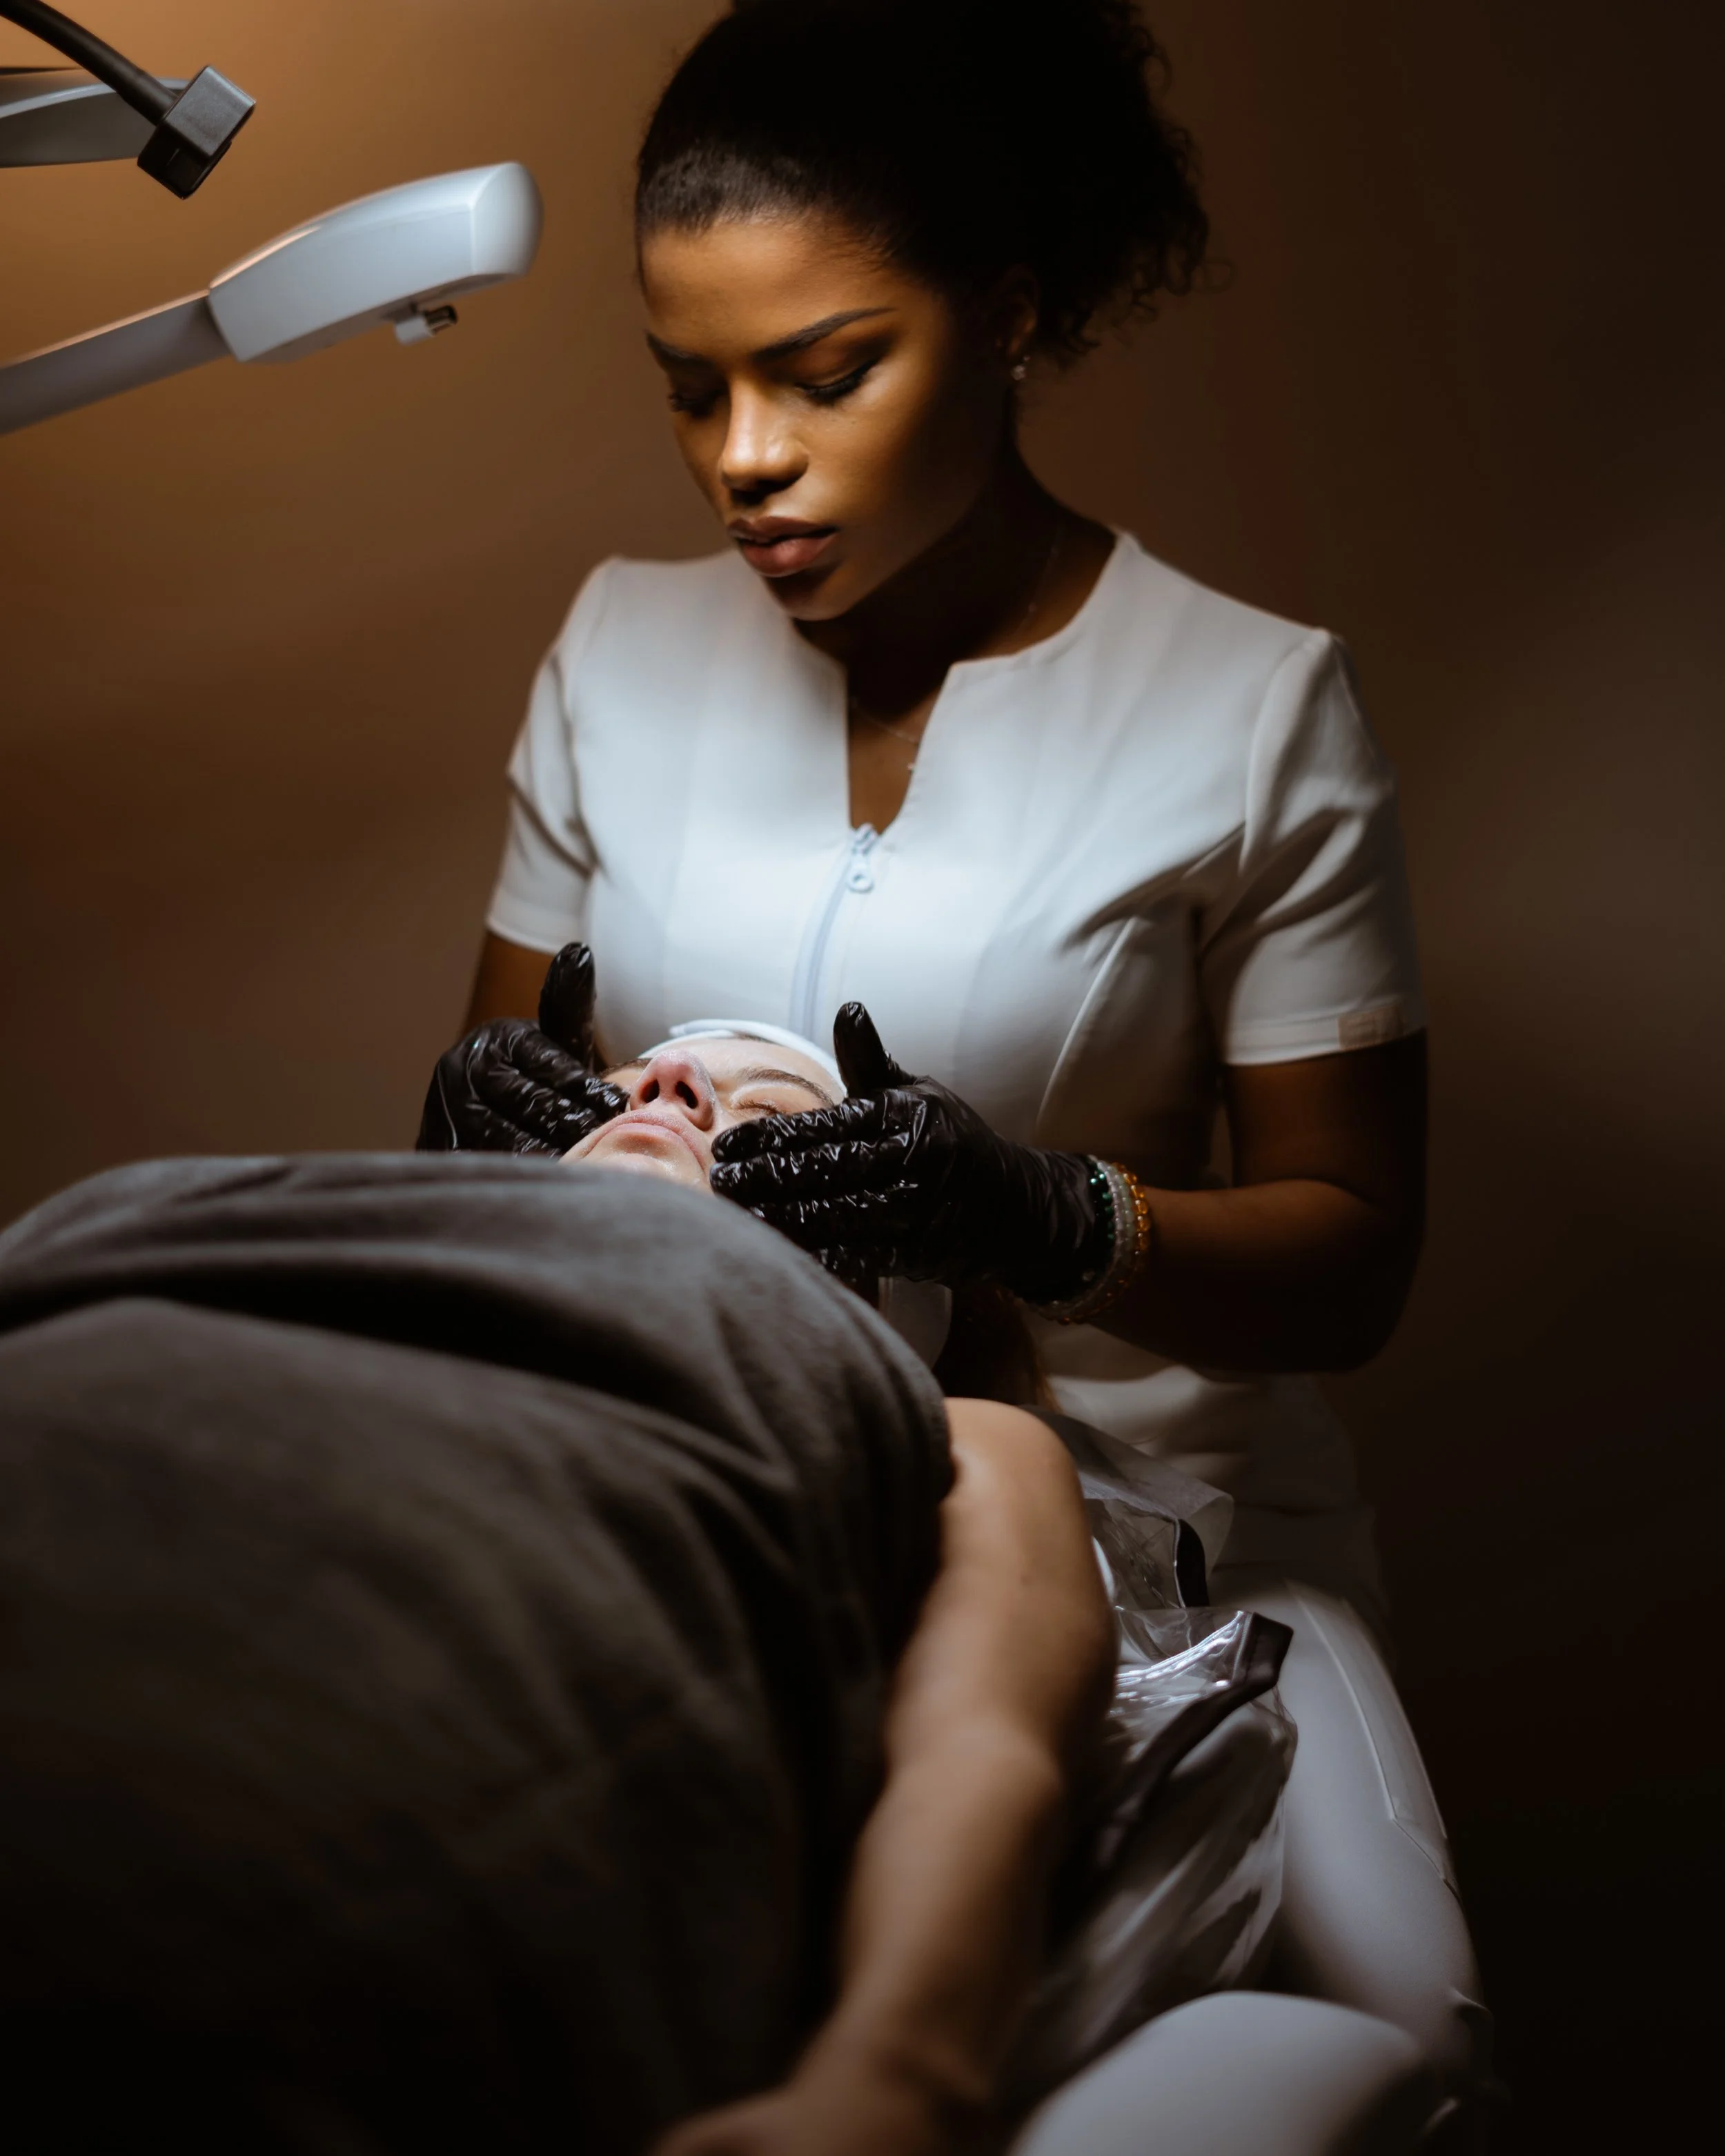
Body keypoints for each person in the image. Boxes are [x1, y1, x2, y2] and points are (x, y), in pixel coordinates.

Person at [423, 0, 1490, 2134]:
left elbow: (1350, 1259)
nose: (744, 456)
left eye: (824, 373)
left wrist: (1046, 1215)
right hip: (732, 1485)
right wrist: (474, 1127)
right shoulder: (616, 651)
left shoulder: (1254, 709)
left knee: (1411, 2033)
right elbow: (487, 1112)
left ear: (1004, 318)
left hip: (1171, 1526)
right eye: (690, 388)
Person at [0, 1114, 1113, 2155]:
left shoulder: (954, 1431)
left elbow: (980, 1747)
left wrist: (898, 2075)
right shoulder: (237, 1202)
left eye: (771, 1117)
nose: (666, 1086)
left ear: (892, 1302)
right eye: (619, 1091)